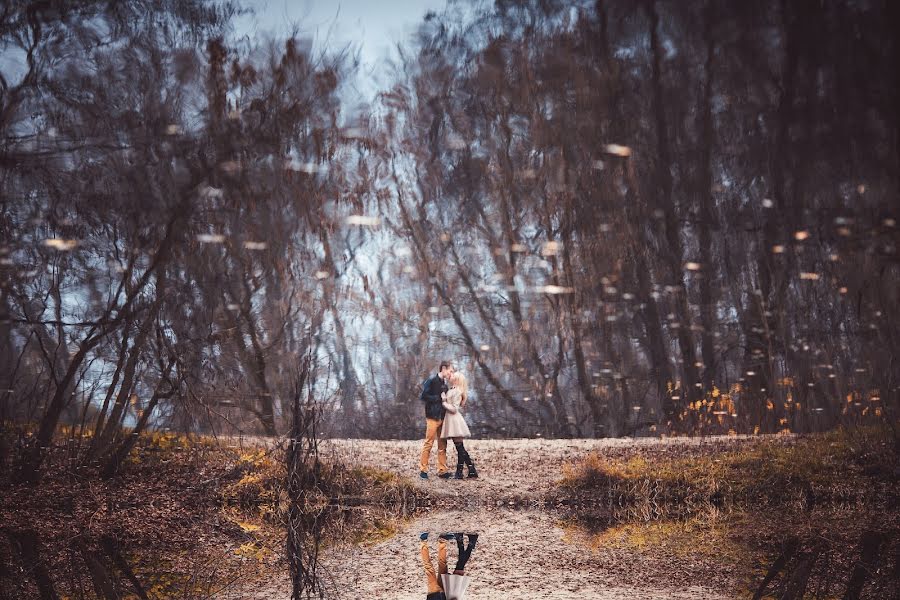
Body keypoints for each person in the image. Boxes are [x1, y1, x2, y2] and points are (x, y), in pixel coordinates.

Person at [419, 361, 453, 479]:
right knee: (429, 443)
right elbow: (423, 396)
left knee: (442, 444)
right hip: (432, 417)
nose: (451, 373)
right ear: (443, 369)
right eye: (450, 371)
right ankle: (423, 470)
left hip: (442, 417)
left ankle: (442, 470)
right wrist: (439, 398)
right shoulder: (431, 381)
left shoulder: (445, 384)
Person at [440, 372, 477, 479]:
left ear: (456, 380)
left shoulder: (457, 391)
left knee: (459, 447)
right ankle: (470, 469)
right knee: (460, 447)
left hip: (454, 421)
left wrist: (443, 402)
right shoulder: (453, 390)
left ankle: (460, 471)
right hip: (451, 420)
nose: (450, 376)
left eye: (453, 376)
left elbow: (454, 409)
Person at [440, 533, 477, 600]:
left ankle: (470, 541)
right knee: (461, 562)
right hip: (455, 588)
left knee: (461, 562)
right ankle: (463, 540)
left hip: (456, 589)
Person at [420, 531, 454, 600]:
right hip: (444, 595)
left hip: (433, 594)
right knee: (443, 565)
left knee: (429, 569)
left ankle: (423, 542)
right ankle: (442, 541)